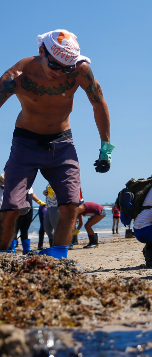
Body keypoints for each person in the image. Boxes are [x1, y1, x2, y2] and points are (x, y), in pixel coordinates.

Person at [0, 30, 113, 259]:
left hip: (62, 143)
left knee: (71, 204)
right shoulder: (17, 76)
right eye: (55, 66)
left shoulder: (80, 71)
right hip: (25, 141)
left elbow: (99, 103)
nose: (60, 73)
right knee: (13, 206)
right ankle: (3, 255)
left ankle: (58, 258)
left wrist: (106, 149)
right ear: (42, 51)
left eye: (66, 68)